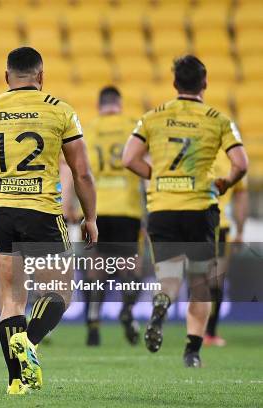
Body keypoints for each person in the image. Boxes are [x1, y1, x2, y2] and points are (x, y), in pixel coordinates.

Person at [0, 47, 97, 394]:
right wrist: (91, 217)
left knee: (12, 298)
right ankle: (29, 340)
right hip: (42, 210)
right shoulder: (61, 111)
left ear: (6, 77)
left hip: (1, 212)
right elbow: (82, 173)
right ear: (41, 77)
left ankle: (16, 381)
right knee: (59, 291)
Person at [122, 55, 248, 367]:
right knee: (201, 282)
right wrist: (227, 182)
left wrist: (160, 178)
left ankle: (162, 303)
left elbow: (129, 159)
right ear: (204, 83)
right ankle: (192, 352)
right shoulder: (218, 119)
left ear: (174, 83)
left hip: (162, 207)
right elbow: (241, 164)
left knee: (168, 278)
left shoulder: (153, 117)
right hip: (199, 208)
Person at [82, 86, 144, 346]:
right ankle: (127, 310)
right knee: (131, 266)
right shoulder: (133, 126)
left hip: (95, 208)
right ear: (119, 103)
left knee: (94, 266)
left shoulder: (88, 128)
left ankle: (94, 318)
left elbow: (76, 169)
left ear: (99, 105)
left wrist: (71, 205)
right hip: (127, 209)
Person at [204, 151, 248, 346]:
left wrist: (239, 230)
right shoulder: (233, 158)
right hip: (218, 225)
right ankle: (208, 332)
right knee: (213, 282)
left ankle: (202, 331)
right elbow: (241, 195)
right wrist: (240, 230)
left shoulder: (195, 149)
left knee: (201, 280)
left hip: (194, 223)